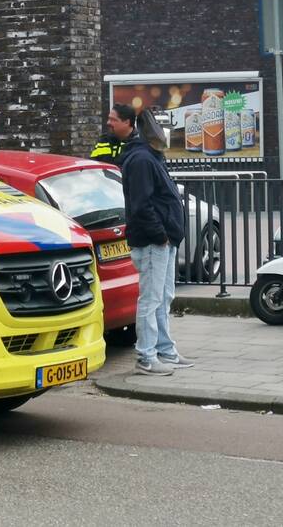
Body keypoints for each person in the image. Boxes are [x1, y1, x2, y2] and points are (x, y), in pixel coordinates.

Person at [119, 109, 192, 375]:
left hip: (163, 241)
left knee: (163, 297)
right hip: (154, 242)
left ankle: (164, 350)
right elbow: (142, 205)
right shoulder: (141, 160)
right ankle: (146, 357)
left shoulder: (150, 157)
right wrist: (160, 235)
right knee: (151, 300)